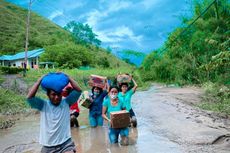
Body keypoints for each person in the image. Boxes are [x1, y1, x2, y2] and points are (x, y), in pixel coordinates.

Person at [26, 74, 82, 153]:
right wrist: (38, 81)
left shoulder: (66, 102)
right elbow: (29, 98)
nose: (56, 97)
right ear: (48, 95)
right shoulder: (43, 105)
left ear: (61, 94)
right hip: (48, 146)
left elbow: (78, 91)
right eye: (53, 94)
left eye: (58, 94)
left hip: (66, 144)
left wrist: (68, 77)